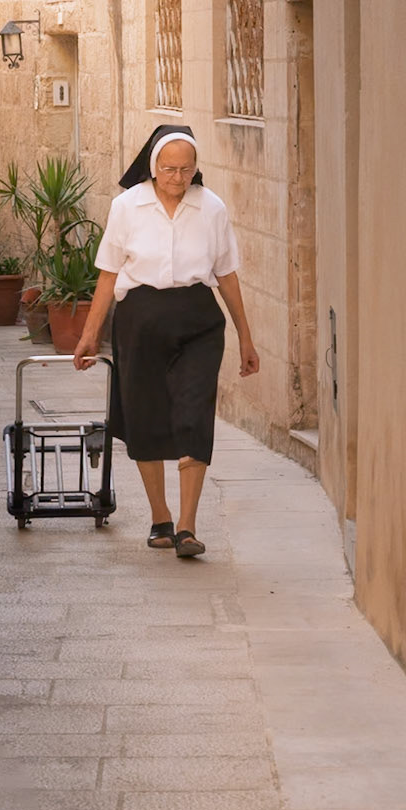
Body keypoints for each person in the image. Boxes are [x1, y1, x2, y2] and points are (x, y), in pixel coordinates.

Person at [73, 124, 259, 557]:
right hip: (140, 321)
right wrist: (89, 335)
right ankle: (160, 516)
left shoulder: (211, 209)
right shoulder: (127, 207)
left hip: (198, 321)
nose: (177, 177)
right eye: (169, 169)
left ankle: (188, 527)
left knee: (195, 414)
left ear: (196, 170)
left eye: (185, 170)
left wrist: (246, 337)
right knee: (146, 416)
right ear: (153, 166)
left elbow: (227, 274)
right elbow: (109, 273)